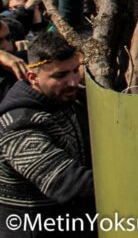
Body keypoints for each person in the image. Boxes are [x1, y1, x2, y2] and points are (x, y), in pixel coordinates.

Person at [0, 32, 93, 238]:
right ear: (32, 77)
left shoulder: (64, 98)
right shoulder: (18, 126)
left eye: (74, 71)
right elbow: (67, 184)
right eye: (60, 75)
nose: (72, 82)